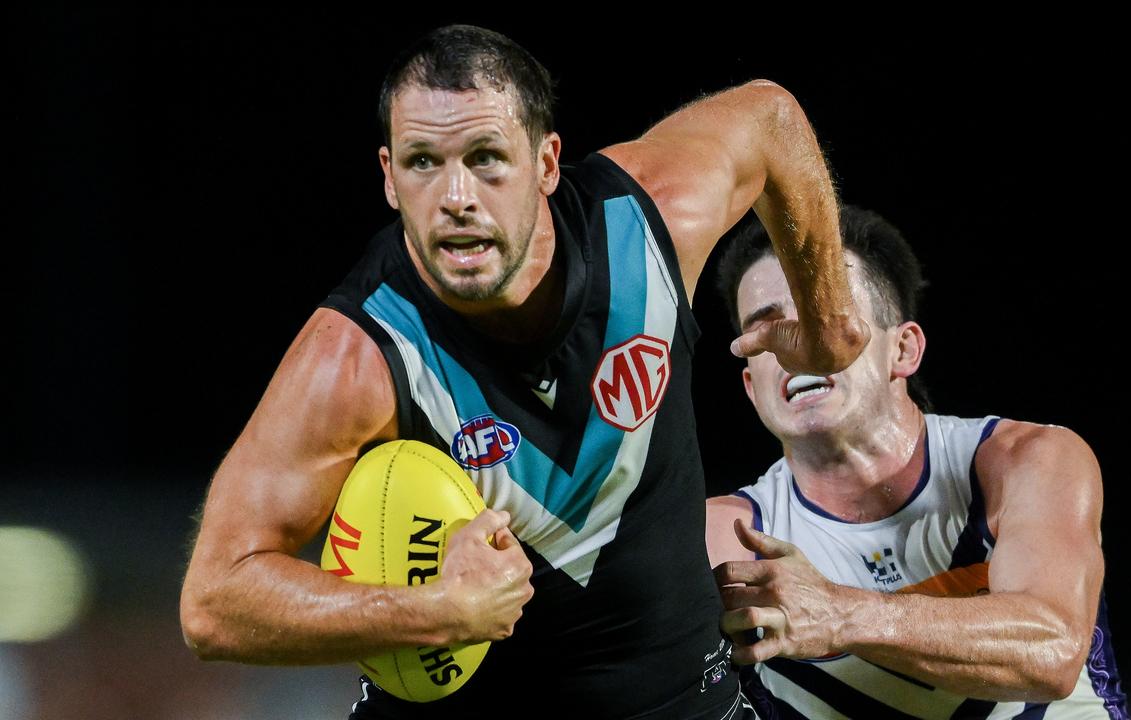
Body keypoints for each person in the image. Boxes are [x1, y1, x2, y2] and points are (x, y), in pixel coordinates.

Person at [179, 25, 866, 719]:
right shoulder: (360, 355)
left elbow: (770, 116)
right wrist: (433, 612)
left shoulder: (650, 223)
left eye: (486, 159)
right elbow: (214, 602)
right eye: (423, 162)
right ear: (388, 177)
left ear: (546, 163)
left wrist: (830, 320)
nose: (455, 196)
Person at [705, 205, 1131, 719]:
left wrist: (839, 615)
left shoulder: (1024, 461)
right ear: (752, 388)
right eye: (765, 329)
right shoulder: (724, 535)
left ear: (903, 349)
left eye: (822, 316)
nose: (795, 347)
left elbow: (1053, 653)